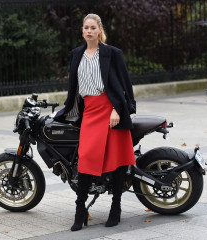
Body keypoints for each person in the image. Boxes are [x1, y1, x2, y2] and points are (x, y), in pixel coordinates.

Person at [54, 13, 136, 231]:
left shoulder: (112, 53)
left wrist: (118, 109)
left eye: (93, 27)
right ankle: (80, 212)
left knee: (117, 161)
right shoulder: (77, 54)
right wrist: (67, 110)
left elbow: (126, 84)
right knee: (86, 159)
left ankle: (115, 208)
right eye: (86, 28)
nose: (89, 31)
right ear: (82, 31)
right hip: (89, 111)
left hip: (111, 111)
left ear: (100, 30)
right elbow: (75, 88)